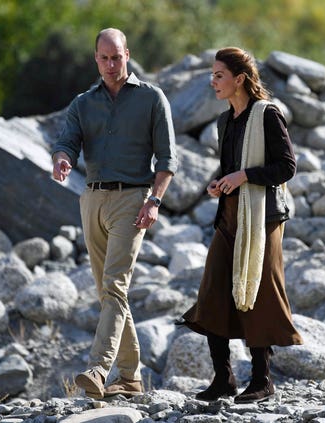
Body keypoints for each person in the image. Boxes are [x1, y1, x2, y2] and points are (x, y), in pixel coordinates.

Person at [51, 28, 177, 399]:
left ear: (127, 54)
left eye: (117, 57)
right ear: (96, 58)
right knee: (108, 293)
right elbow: (67, 143)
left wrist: (154, 201)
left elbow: (168, 159)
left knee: (115, 285)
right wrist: (61, 160)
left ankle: (98, 368)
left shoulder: (152, 98)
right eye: (104, 58)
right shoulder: (82, 103)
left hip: (133, 201)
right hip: (91, 200)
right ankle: (131, 377)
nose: (110, 64)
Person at [180, 47, 303, 404]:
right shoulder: (225, 121)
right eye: (212, 74)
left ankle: (263, 380)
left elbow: (286, 167)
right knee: (213, 293)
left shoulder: (267, 115)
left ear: (240, 79)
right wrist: (220, 183)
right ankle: (224, 379)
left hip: (263, 219)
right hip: (230, 217)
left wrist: (243, 176)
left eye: (219, 75)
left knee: (260, 294)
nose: (213, 81)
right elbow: (231, 170)